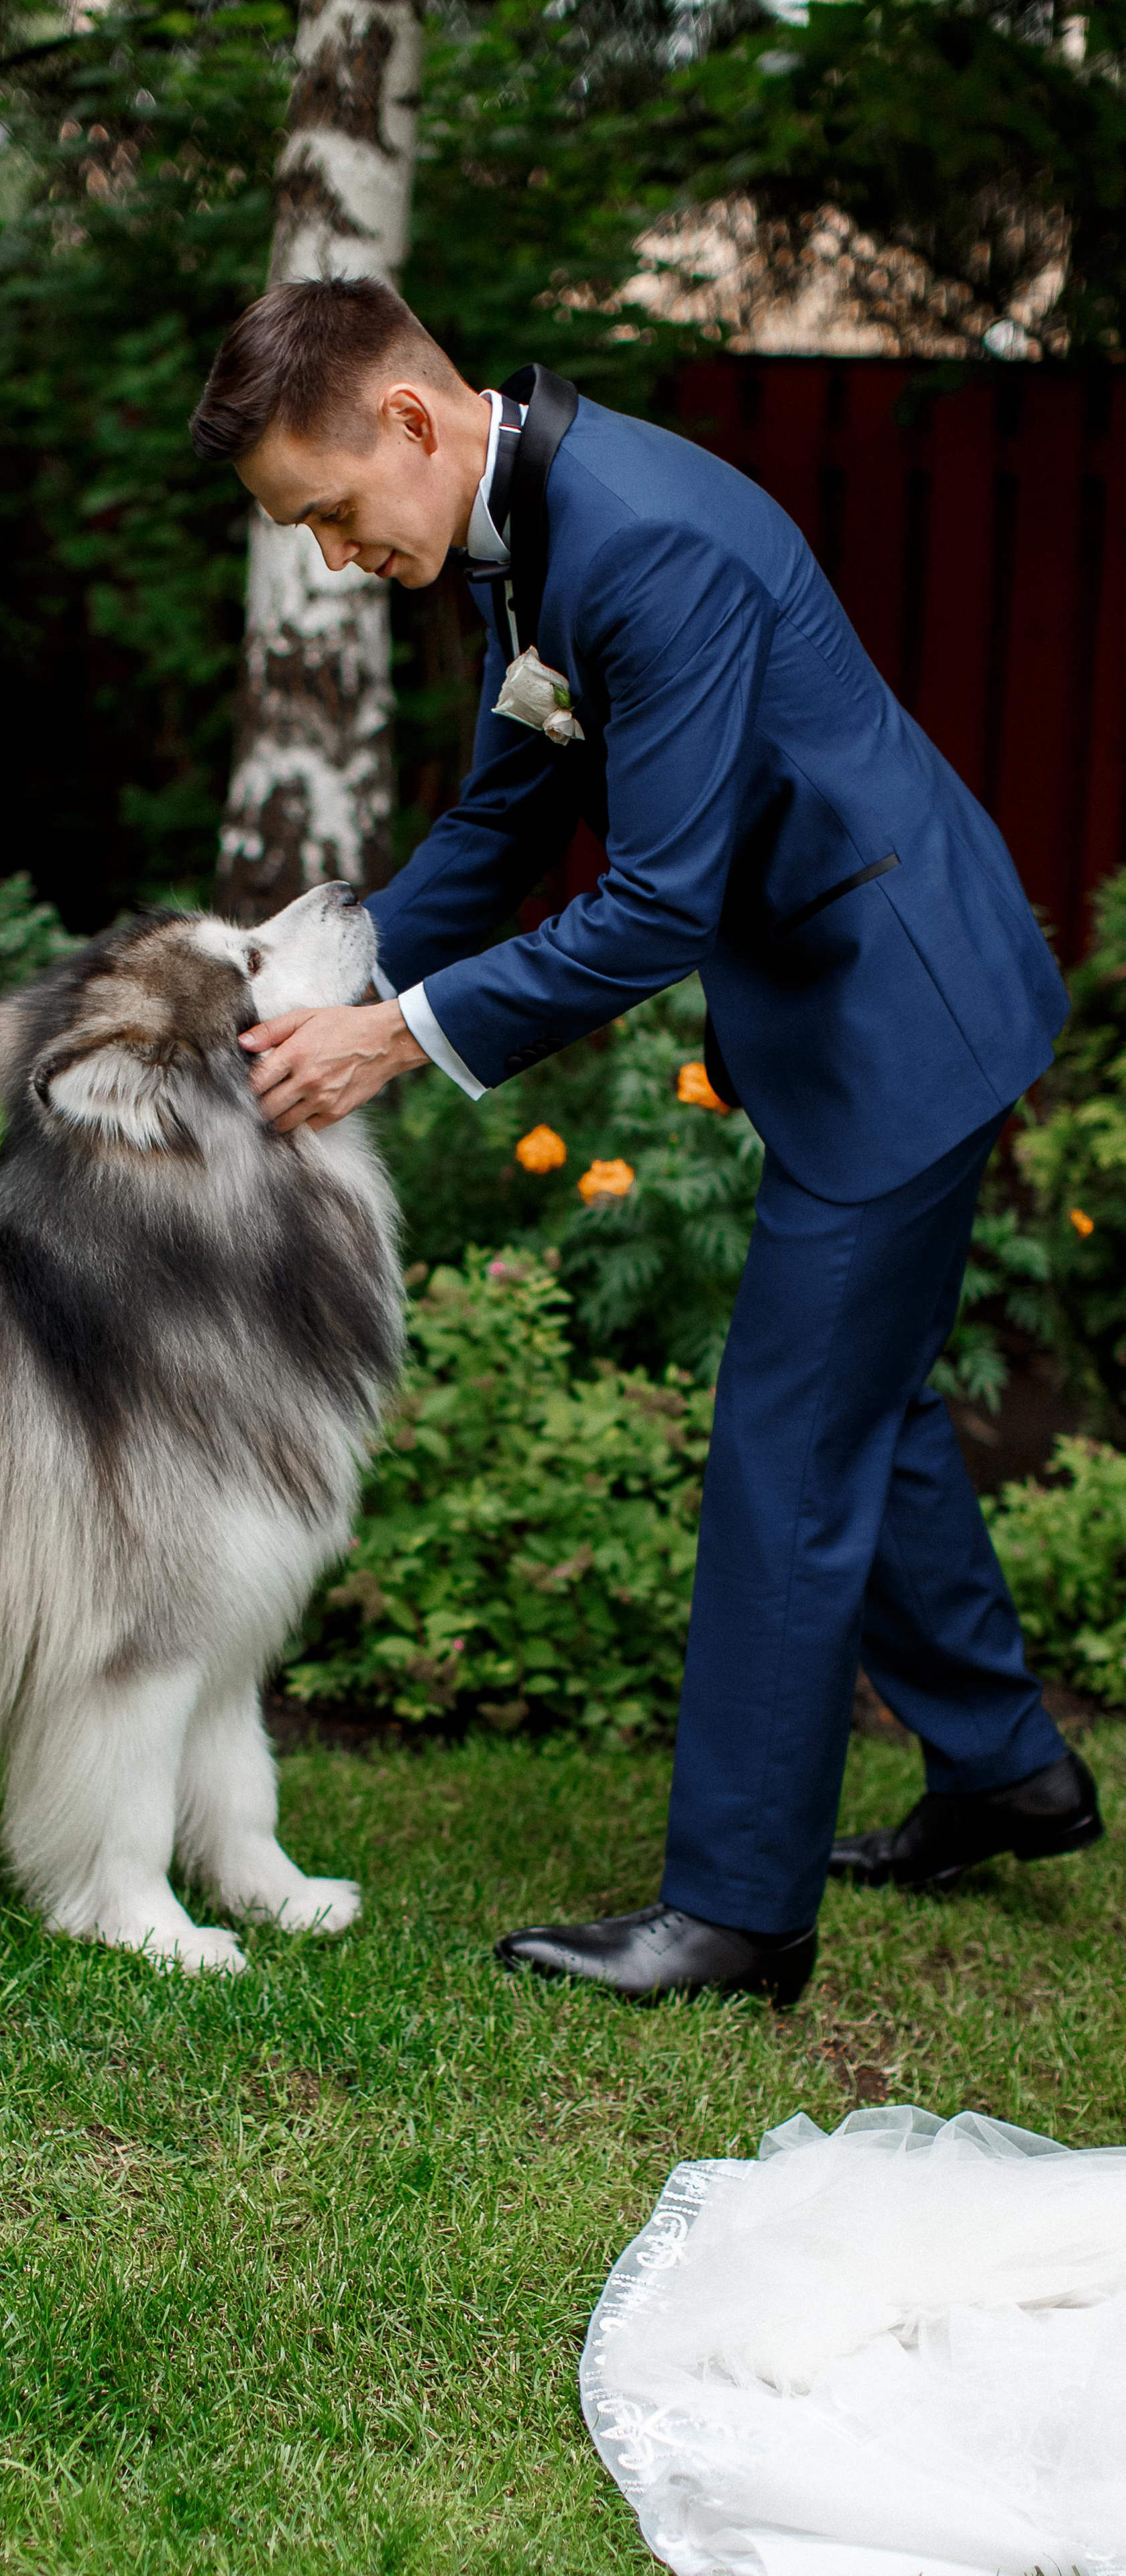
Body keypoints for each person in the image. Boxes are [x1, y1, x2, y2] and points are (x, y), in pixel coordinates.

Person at [187, 275, 1103, 2006]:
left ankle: (738, 1916)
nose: (332, 556)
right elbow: (506, 818)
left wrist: (398, 1038)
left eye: (327, 513)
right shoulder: (520, 533)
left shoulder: (644, 542)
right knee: (875, 1405)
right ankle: (1006, 1769)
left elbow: (663, 902)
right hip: (858, 998)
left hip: (898, 1015)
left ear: (409, 421)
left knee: (790, 1446)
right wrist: (323, 980)